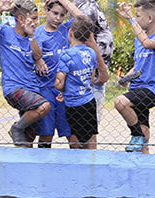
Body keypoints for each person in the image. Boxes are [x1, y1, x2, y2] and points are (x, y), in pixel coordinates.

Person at [0, 0, 49, 147]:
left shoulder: (33, 36)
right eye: (33, 18)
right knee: (44, 106)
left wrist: (32, 36)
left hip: (32, 88)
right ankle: (16, 128)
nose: (36, 21)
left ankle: (22, 145)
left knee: (27, 141)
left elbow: (37, 55)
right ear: (21, 19)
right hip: (14, 88)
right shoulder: (5, 32)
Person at [114, 0, 155, 153]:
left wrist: (130, 19)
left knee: (120, 102)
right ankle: (142, 146)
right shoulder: (139, 39)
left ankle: (136, 135)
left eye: (138, 16)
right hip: (137, 87)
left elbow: (148, 44)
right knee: (144, 131)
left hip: (152, 89)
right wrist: (127, 77)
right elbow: (139, 64)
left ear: (150, 18)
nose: (136, 19)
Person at [34, 0, 83, 148]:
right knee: (46, 134)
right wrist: (38, 59)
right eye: (55, 13)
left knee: (72, 134)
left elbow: (81, 18)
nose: (58, 18)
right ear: (46, 11)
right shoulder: (38, 32)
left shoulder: (66, 30)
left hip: (65, 90)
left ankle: (78, 164)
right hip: (45, 89)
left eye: (62, 15)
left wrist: (63, 1)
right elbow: (33, 52)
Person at [56, 15, 108, 149]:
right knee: (90, 139)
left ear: (70, 32)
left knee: (76, 141)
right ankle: (92, 165)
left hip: (73, 105)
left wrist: (63, 89)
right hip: (89, 101)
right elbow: (91, 80)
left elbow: (59, 84)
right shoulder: (91, 52)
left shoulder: (66, 55)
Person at [68, 0, 113, 120]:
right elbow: (89, 39)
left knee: (89, 126)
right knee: (87, 127)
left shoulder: (89, 4)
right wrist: (102, 70)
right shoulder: (85, 6)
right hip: (89, 77)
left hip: (94, 76)